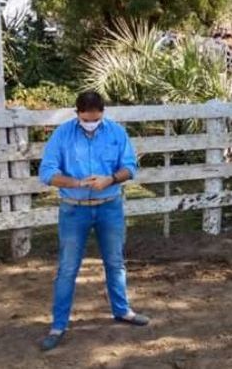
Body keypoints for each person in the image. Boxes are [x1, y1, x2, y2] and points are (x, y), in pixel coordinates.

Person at [38, 91, 149, 351]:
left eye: (96, 119)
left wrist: (110, 179)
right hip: (73, 209)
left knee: (115, 261)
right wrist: (76, 182)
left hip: (110, 207)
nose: (91, 123)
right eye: (87, 119)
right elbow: (47, 172)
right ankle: (59, 324)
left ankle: (122, 311)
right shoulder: (62, 135)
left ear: (103, 113)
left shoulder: (116, 133)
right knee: (67, 268)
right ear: (77, 113)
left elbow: (130, 167)